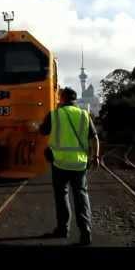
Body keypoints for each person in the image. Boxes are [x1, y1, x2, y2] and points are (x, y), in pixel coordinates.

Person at [39, 87, 100, 246]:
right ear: (74, 99)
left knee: (62, 196)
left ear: (61, 98)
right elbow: (95, 138)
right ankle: (86, 232)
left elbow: (42, 131)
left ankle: (63, 229)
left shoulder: (54, 115)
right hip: (80, 164)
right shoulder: (84, 115)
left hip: (59, 163)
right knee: (81, 196)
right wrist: (96, 157)